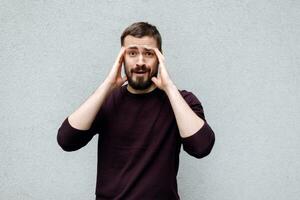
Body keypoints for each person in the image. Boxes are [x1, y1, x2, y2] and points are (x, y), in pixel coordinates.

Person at [57, 22, 215, 200]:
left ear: (160, 59)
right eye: (132, 53)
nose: (140, 62)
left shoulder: (182, 101)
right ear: (121, 58)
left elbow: (201, 147)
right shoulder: (106, 100)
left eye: (148, 54)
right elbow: (66, 140)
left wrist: (169, 87)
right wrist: (107, 85)